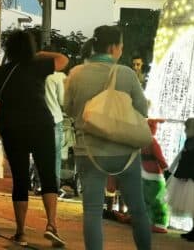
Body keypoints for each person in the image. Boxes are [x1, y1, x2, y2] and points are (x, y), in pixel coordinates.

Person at [64, 25, 150, 250]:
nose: (121, 49)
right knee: (138, 209)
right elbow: (142, 111)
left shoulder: (76, 73)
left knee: (92, 211)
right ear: (113, 47)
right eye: (121, 45)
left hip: (90, 151)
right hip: (125, 152)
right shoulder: (127, 74)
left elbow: (69, 109)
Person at [0, 29, 68, 247]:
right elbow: (63, 60)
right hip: (41, 124)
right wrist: (40, 53)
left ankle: (21, 232)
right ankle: (51, 225)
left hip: (12, 128)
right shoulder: (39, 66)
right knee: (48, 174)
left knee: (20, 179)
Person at [142, 119, 169, 233]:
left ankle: (147, 221)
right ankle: (160, 223)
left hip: (143, 174)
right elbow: (160, 158)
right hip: (155, 176)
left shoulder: (139, 141)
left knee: (146, 199)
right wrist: (167, 171)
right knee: (159, 201)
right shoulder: (152, 142)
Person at [44, 64, 67, 187]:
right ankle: (54, 185)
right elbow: (63, 100)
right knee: (55, 154)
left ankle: (39, 183)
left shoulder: (35, 74)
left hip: (38, 118)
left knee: (40, 153)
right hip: (55, 119)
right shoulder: (59, 77)